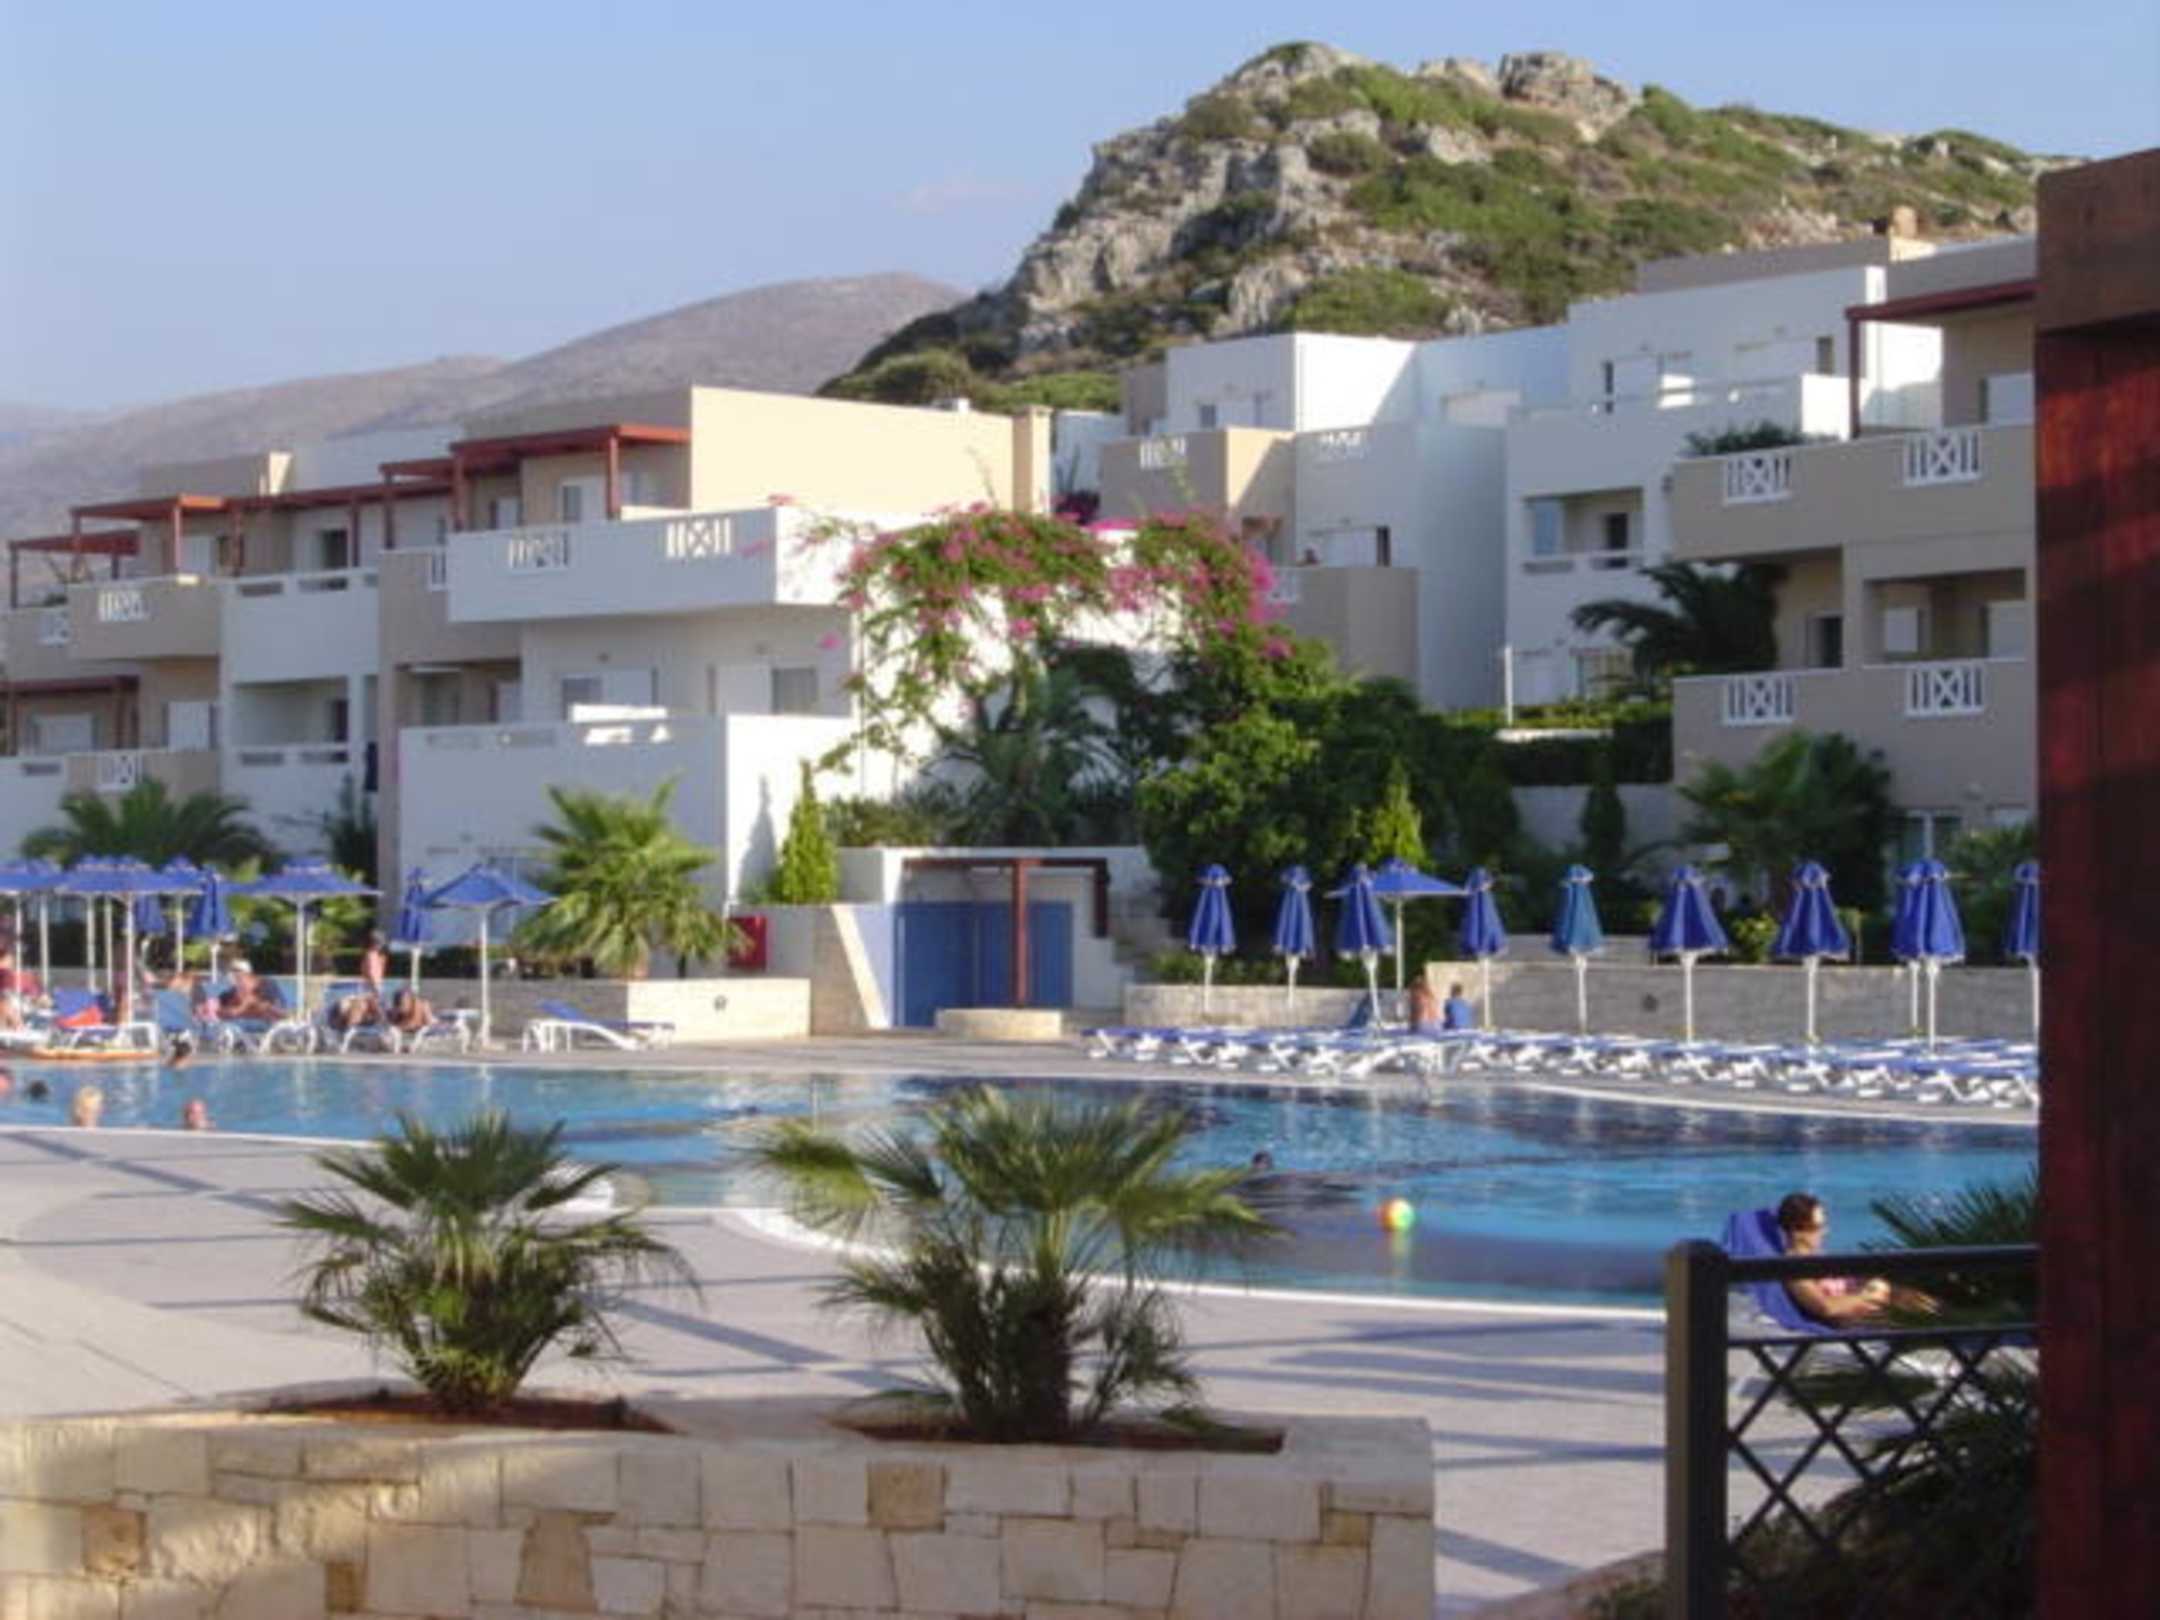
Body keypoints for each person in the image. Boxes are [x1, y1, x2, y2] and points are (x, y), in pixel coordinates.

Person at [1776, 1192, 1897, 1324]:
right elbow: (1826, 1307)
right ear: (1796, 1231)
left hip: (1866, 1301)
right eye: (1818, 1227)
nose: (1825, 1231)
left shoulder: (1816, 1255)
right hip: (1859, 1318)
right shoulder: (1794, 1267)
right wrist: (1866, 1296)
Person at [218, 961, 284, 1022]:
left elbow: (280, 1011)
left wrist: (245, 1006)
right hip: (243, 1023)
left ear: (249, 975)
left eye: (237, 974)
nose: (233, 975)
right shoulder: (231, 993)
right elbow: (221, 1011)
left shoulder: (267, 986)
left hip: (267, 1022)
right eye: (233, 973)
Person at [359, 932, 390, 999]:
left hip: (372, 984)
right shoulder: (371, 955)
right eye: (379, 943)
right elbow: (371, 971)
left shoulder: (373, 954)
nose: (381, 946)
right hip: (372, 985)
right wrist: (375, 987)